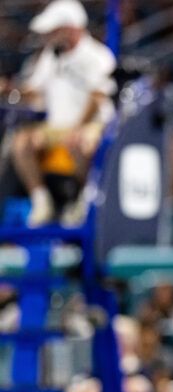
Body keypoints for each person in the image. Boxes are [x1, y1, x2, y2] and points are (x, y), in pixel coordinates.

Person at [11, 0, 116, 227]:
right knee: (20, 143)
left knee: (78, 142)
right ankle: (41, 201)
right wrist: (9, 88)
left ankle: (85, 198)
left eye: (53, 31)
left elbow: (98, 98)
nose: (48, 36)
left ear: (70, 28)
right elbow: (33, 90)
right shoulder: (51, 56)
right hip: (56, 128)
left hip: (92, 127)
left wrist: (78, 127)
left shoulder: (98, 56)